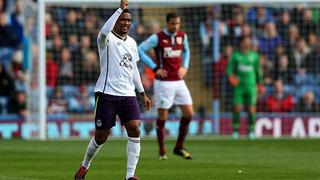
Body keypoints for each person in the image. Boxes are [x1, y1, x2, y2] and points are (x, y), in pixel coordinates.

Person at [74, 1, 151, 180]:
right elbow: (102, 32)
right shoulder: (106, 40)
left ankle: (130, 176)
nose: (126, 23)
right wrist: (119, 10)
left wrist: (142, 93)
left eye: (129, 20)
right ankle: (84, 166)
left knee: (135, 129)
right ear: (116, 20)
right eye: (123, 20)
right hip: (106, 93)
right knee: (101, 137)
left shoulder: (132, 43)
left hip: (127, 94)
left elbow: (133, 70)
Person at [138, 12, 193, 160]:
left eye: (177, 23)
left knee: (188, 113)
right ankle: (162, 151)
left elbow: (187, 50)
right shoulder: (158, 37)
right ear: (167, 23)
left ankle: (179, 147)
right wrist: (155, 68)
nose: (175, 26)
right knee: (163, 116)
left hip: (179, 81)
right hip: (163, 83)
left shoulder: (183, 36)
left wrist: (185, 66)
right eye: (172, 24)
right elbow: (140, 50)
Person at [226, 36, 264, 140]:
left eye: (249, 42)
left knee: (251, 110)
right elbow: (229, 70)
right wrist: (231, 78)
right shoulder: (236, 56)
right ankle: (235, 131)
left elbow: (258, 71)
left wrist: (260, 84)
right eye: (246, 42)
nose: (248, 44)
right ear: (241, 43)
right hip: (239, 87)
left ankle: (251, 131)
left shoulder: (254, 56)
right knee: (237, 108)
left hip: (251, 87)